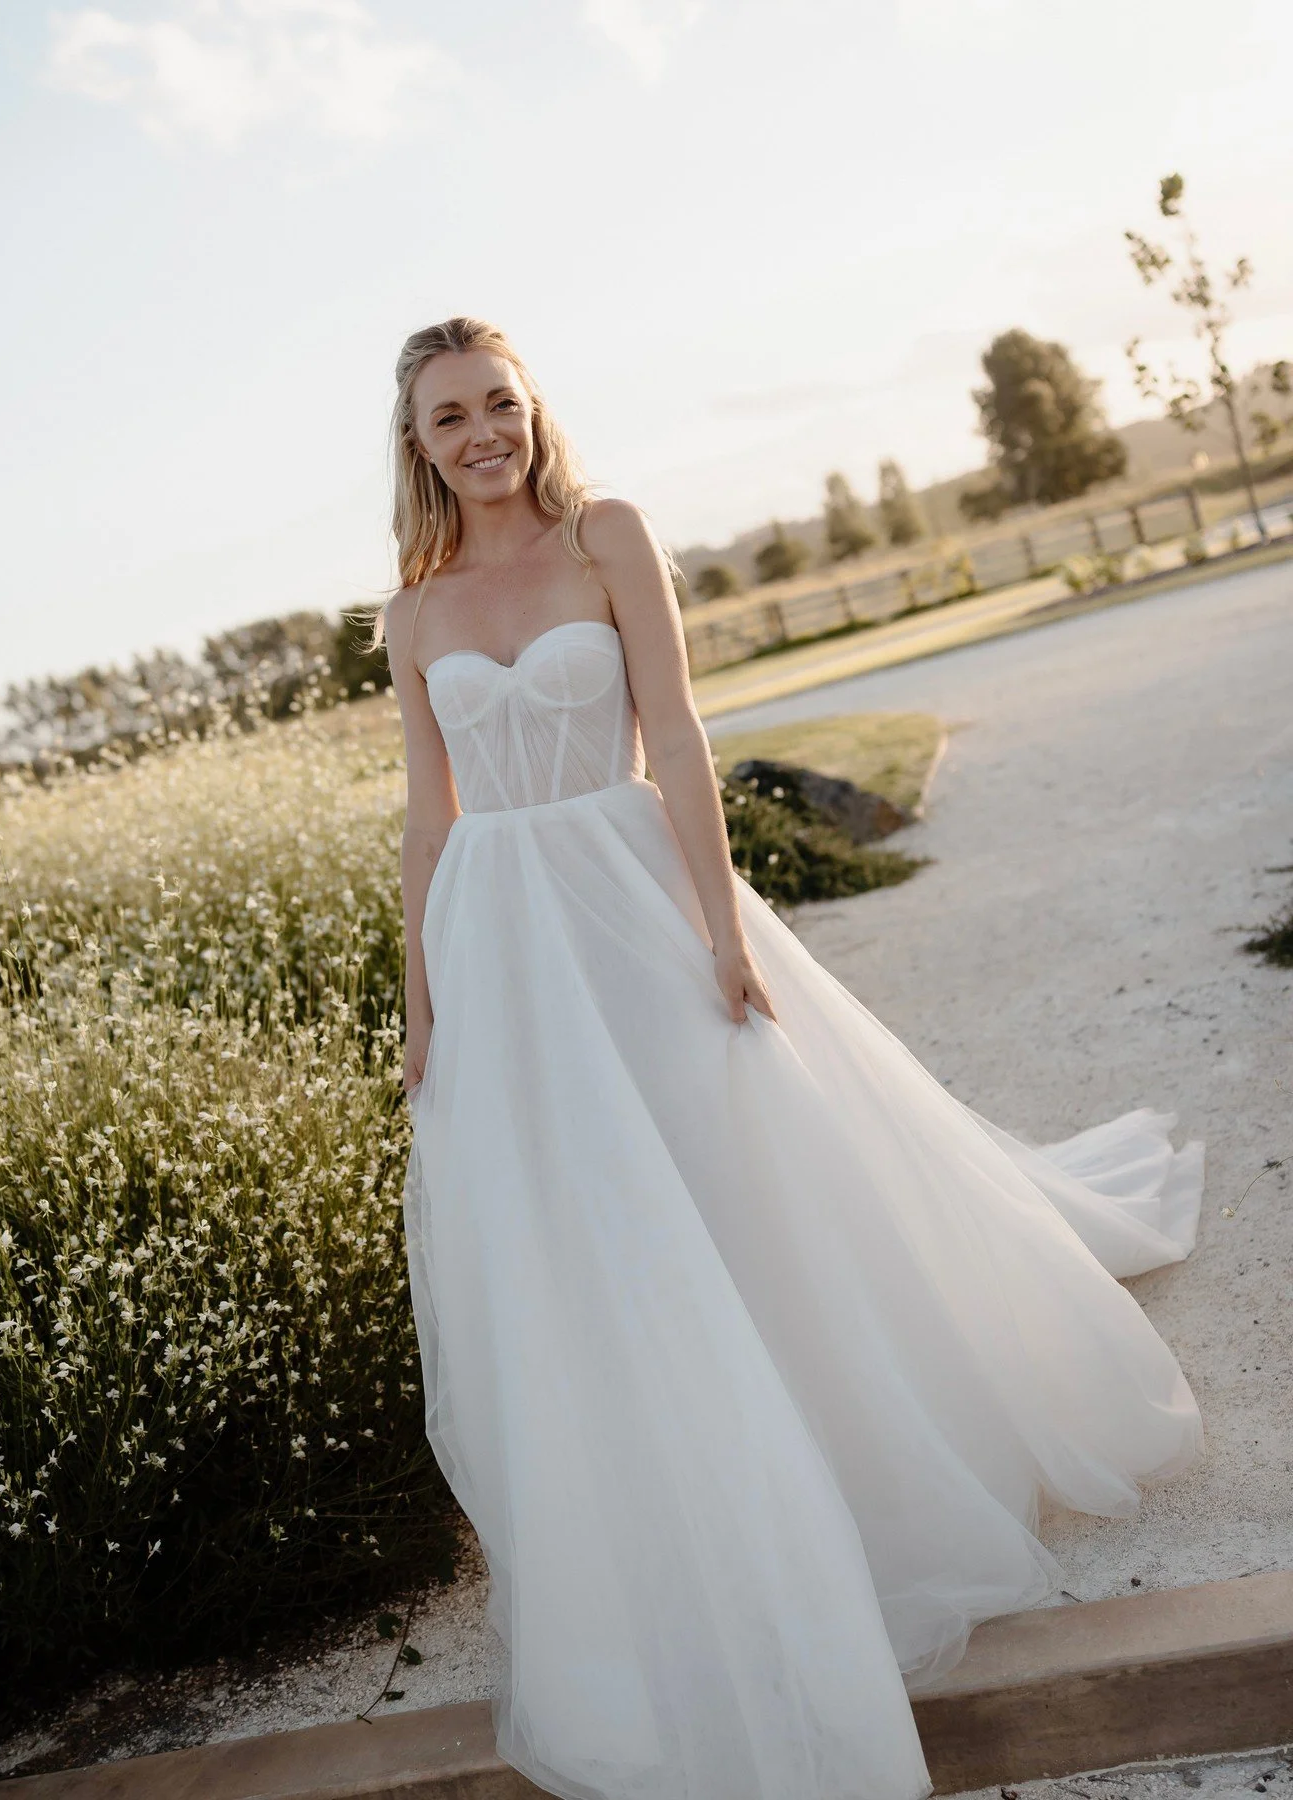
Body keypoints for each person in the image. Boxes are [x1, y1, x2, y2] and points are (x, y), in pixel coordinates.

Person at [376, 316, 1203, 1800]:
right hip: (501, 941)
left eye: (500, 401)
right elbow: (429, 820)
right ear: (420, 443)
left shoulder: (605, 533)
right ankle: (672, 1497)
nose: (483, 431)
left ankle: (840, 1458)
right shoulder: (412, 611)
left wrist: (722, 925)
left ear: (530, 408)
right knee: (590, 1227)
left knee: (737, 1162)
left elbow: (680, 737)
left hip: (630, 900)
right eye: (451, 417)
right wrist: (423, 998)